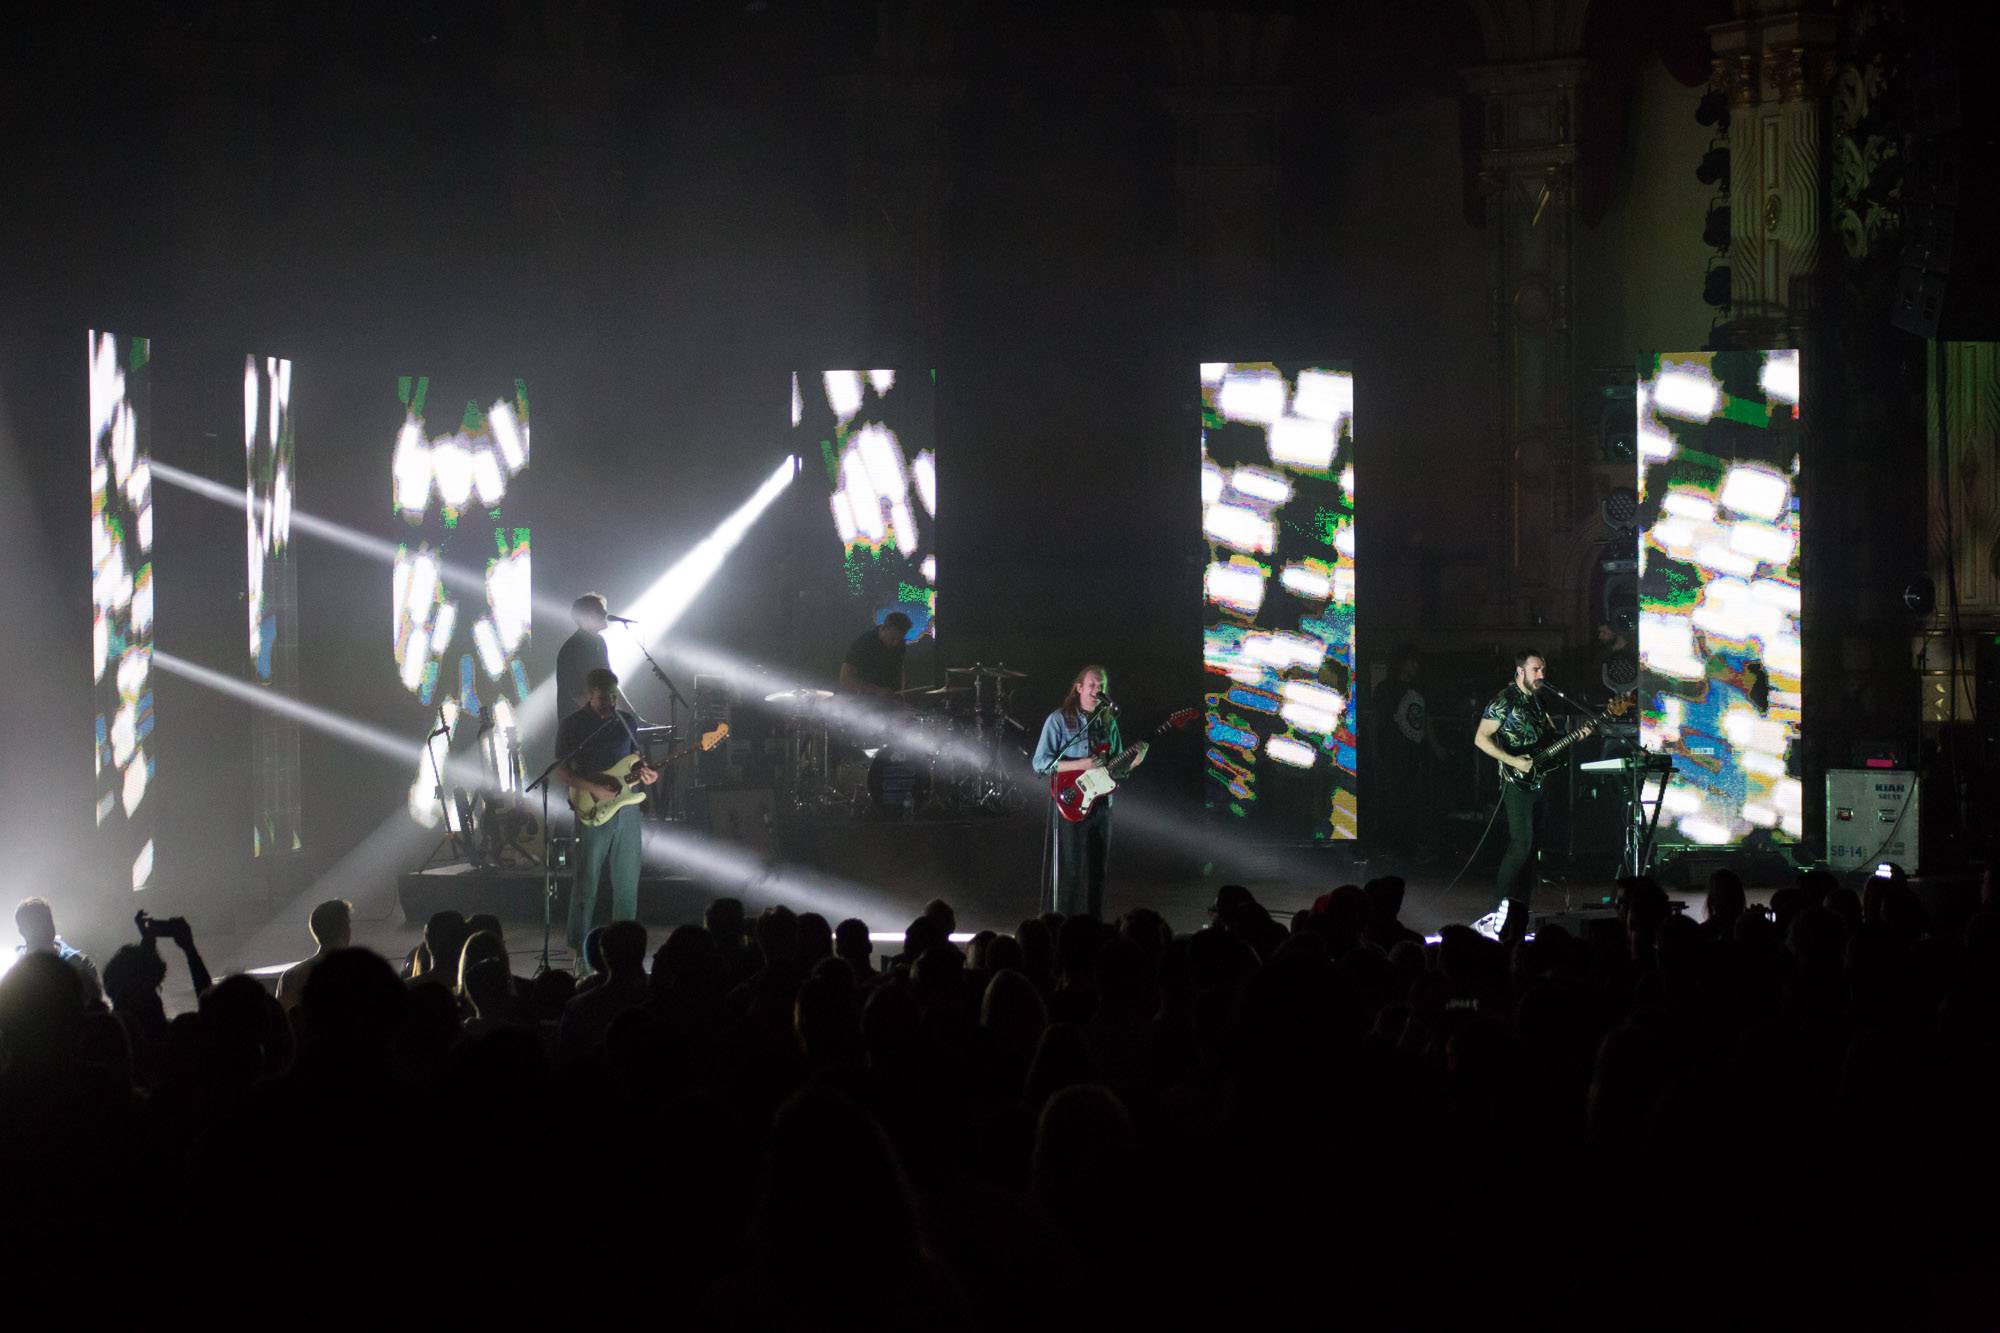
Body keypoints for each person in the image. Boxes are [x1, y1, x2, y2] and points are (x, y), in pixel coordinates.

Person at [1470, 650, 1589, 945]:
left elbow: (1550, 739)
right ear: (1520, 671)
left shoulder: (1537, 701)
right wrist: (1512, 761)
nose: (1542, 676)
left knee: (1531, 851)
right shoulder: (1504, 700)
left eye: (1543, 670)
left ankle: (1518, 918)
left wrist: (1578, 735)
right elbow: (1480, 738)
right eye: (1536, 670)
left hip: (1539, 782)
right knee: (1520, 844)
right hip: (1516, 782)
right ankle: (1494, 912)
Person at [557, 667, 658, 970]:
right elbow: (561, 769)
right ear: (590, 694)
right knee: (586, 881)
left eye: (614, 696)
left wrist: (647, 772)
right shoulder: (573, 724)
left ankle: (624, 954)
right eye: (603, 697)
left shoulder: (626, 721)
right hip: (591, 809)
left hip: (627, 809)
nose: (609, 702)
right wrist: (593, 789)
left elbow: (636, 760)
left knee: (627, 882)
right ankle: (578, 953)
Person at [1033, 665, 1139, 919]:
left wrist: (1132, 761)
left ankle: (1095, 926)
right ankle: (1063, 926)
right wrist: (1082, 764)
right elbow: (1041, 763)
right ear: (1078, 687)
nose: (1096, 690)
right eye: (1092, 685)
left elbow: (1116, 767)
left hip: (1102, 804)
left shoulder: (1108, 721)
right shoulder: (1059, 720)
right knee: (1070, 872)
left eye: (1101, 686)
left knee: (1098, 873)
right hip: (1071, 804)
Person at [13, 897, 101, 1003]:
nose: (45, 927)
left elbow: (95, 1010)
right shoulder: (13, 970)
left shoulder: (79, 965)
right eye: (36, 924)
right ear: (22, 931)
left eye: (47, 920)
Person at [276, 898, 352, 1014]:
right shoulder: (358, 974)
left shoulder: (292, 976)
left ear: (315, 930)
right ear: (344, 930)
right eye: (348, 924)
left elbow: (282, 1023)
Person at [556, 593, 613, 712]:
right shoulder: (573, 648)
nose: (605, 613)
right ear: (586, 616)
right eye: (600, 610)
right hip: (580, 725)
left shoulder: (600, 642)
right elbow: (577, 693)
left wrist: (634, 717)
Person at [839, 611, 911, 698]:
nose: (895, 643)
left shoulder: (900, 644)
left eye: (899, 639)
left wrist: (901, 695)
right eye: (892, 638)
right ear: (884, 628)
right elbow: (845, 678)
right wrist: (876, 690)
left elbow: (900, 672)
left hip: (887, 700)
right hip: (860, 700)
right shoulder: (864, 642)